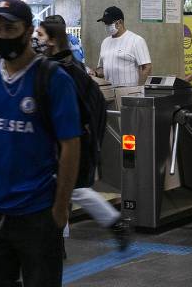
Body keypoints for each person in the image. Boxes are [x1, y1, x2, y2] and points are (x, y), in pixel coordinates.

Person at [0, 0, 82, 287]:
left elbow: (71, 144)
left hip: (38, 211)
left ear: (28, 29)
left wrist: (60, 208)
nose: (2, 36)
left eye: (10, 28)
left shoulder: (53, 79)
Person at [35, 15, 130, 250]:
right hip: (69, 137)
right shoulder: (69, 63)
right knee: (61, 189)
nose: (36, 39)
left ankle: (114, 222)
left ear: (53, 39)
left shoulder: (61, 68)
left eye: (40, 35)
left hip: (68, 139)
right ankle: (59, 239)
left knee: (72, 189)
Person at [95, 6, 152, 87]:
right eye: (105, 23)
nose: (107, 25)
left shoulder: (136, 40)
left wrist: (140, 89)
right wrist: (95, 73)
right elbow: (102, 68)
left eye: (109, 23)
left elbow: (147, 67)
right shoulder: (105, 42)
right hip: (110, 93)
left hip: (130, 94)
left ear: (120, 22)